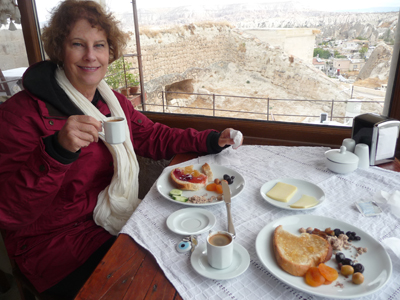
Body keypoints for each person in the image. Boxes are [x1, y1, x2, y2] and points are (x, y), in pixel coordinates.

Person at [0, 0, 243, 298]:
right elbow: (9, 213)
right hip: (53, 247)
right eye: (78, 44)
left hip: (111, 218)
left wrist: (209, 140)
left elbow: (151, 136)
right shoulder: (20, 114)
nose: (91, 56)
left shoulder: (110, 101)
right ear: (60, 50)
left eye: (99, 45)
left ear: (109, 52)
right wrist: (56, 152)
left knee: (190, 259)